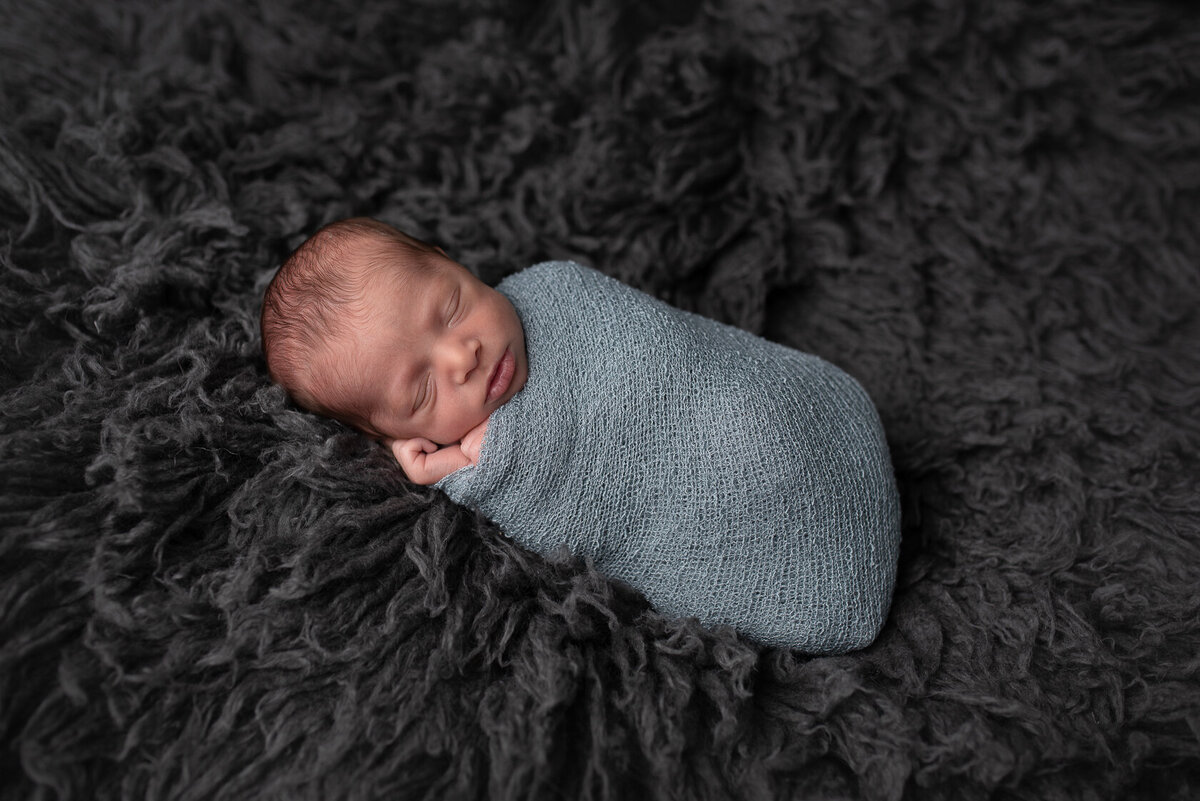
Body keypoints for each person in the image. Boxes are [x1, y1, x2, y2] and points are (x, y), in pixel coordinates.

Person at [260, 217, 527, 485]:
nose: (463, 358)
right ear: (394, 436)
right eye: (424, 391)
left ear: (451, 263)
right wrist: (464, 469)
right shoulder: (474, 454)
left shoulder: (546, 288)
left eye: (453, 310)